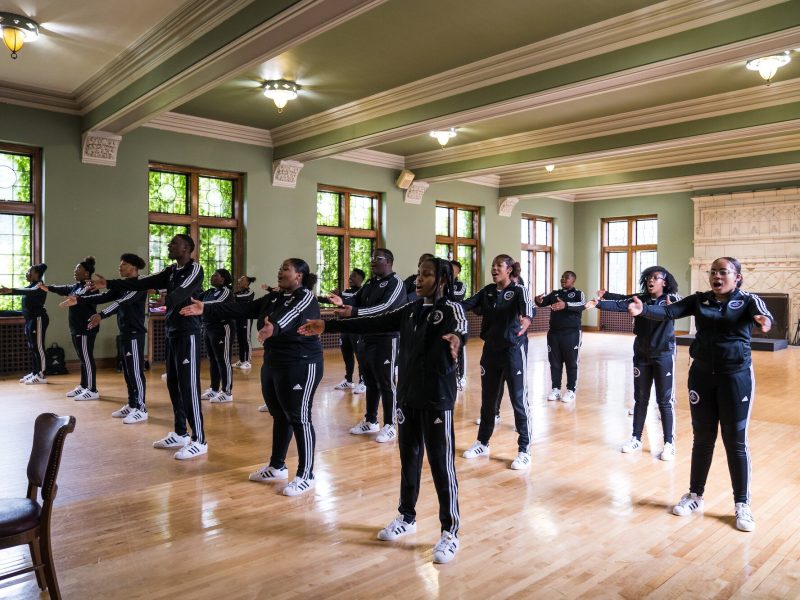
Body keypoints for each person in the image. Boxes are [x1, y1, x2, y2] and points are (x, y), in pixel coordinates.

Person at [299, 257, 466, 563]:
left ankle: (450, 531)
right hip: (408, 398)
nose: (418, 279)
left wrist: (457, 339)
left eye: (427, 275)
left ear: (441, 280)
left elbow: (460, 328)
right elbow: (373, 322)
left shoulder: (451, 309)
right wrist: (328, 324)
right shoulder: (411, 310)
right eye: (418, 273)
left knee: (442, 465)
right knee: (409, 460)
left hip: (437, 400)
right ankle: (406, 516)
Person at [627, 257, 772, 532]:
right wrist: (643, 309)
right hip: (702, 376)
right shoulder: (699, 300)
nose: (717, 276)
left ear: (737, 277)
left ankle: (742, 504)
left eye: (724, 272)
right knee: (703, 439)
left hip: (736, 378)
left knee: (735, 441)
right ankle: (695, 495)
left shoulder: (749, 300)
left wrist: (764, 322)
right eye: (714, 271)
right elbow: (669, 313)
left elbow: (766, 318)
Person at [182, 258, 323, 496]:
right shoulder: (275, 297)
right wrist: (207, 308)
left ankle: (306, 473)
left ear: (298, 276)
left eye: (285, 269)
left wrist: (273, 327)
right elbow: (244, 308)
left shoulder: (305, 297)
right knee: (279, 414)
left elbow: (291, 315)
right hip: (274, 362)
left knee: (300, 417)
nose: (280, 271)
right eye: (279, 267)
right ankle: (277, 466)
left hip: (301, 363)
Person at [93, 234, 207, 460]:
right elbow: (143, 282)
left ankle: (200, 439)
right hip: (172, 333)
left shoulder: (195, 269)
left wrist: (167, 298)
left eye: (173, 243)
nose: (169, 245)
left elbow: (183, 291)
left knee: (189, 386)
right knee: (173, 384)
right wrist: (110, 283)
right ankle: (180, 433)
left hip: (188, 334)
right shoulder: (171, 270)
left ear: (187, 248)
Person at [585, 265, 680, 460]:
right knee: (640, 399)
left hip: (663, 355)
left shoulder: (672, 300)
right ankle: (636, 438)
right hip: (642, 355)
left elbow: (674, 309)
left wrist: (653, 309)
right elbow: (620, 304)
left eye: (655, 277)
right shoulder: (640, 298)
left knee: (664, 401)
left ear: (665, 282)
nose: (650, 281)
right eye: (648, 278)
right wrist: (598, 303)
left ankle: (669, 443)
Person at [460, 255, 534, 470]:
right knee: (488, 401)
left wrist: (526, 320)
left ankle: (524, 449)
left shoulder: (519, 290)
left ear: (509, 270)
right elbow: (466, 304)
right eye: (492, 265)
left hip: (513, 351)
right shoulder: (487, 291)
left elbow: (528, 310)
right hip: (490, 351)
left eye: (498, 266)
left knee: (518, 400)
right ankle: (482, 443)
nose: (494, 269)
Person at [328, 248, 406, 443]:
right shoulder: (371, 283)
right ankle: (371, 420)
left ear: (388, 261)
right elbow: (356, 299)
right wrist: (343, 301)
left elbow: (386, 307)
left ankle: (390, 425)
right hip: (367, 337)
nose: (372, 261)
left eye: (377, 258)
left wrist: (354, 312)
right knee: (370, 381)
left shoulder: (396, 283)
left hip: (387, 339)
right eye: (371, 258)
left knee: (386, 382)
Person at [63, 254, 150, 423]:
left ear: (133, 267)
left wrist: (101, 315)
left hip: (134, 334)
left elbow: (121, 303)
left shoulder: (139, 286)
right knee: (127, 371)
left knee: (135, 373)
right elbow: (104, 297)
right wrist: (79, 299)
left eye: (123, 264)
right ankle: (132, 405)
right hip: (124, 333)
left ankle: (141, 408)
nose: (120, 267)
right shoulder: (123, 285)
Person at [40, 256, 102, 400]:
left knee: (87, 358)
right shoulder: (76, 286)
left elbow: (84, 301)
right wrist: (47, 287)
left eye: (78, 269)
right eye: (75, 269)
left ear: (86, 273)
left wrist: (70, 302)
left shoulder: (90, 286)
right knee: (82, 358)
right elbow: (63, 288)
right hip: (76, 327)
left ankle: (92, 389)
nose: (75, 271)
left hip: (86, 327)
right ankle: (83, 385)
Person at [535, 271, 585, 403]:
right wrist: (538, 300)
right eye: (562, 277)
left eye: (566, 278)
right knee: (554, 362)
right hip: (554, 333)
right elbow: (542, 303)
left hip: (572, 333)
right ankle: (555, 389)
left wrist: (566, 305)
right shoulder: (555, 293)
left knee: (571, 362)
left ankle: (571, 390)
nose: (563, 279)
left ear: (573, 280)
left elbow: (582, 305)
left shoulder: (578, 294)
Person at [0, 263, 49, 384]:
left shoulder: (39, 286)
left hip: (38, 319)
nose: (26, 274)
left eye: (29, 272)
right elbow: (25, 308)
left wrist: (10, 290)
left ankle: (42, 375)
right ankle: (35, 372)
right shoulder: (31, 286)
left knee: (38, 347)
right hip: (30, 321)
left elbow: (29, 292)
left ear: (36, 274)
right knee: (32, 347)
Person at [199, 268, 234, 403]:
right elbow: (194, 299)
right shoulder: (210, 292)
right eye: (213, 274)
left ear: (223, 279)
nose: (213, 277)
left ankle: (227, 392)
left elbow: (216, 304)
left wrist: (200, 305)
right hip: (208, 327)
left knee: (223, 360)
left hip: (222, 328)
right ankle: (214, 389)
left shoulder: (226, 292)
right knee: (212, 359)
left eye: (216, 275)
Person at [328, 268, 366, 392]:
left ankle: (363, 381)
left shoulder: (362, 292)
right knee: (346, 354)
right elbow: (338, 302)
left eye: (353, 276)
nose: (350, 278)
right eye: (350, 276)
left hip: (356, 329)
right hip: (345, 329)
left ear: (361, 279)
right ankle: (348, 380)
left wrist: (341, 298)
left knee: (359, 355)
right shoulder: (346, 292)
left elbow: (354, 305)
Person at [450, 260, 468, 390]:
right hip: (445, 320)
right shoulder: (441, 282)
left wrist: (444, 290)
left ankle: (461, 377)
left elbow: (458, 296)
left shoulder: (460, 285)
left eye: (454, 270)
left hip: (457, 319)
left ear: (458, 273)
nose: (451, 271)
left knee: (460, 349)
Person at [232, 275, 256, 370]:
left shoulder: (250, 292)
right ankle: (242, 360)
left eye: (241, 280)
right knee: (240, 339)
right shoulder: (237, 293)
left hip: (247, 318)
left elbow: (241, 298)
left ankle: (248, 362)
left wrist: (232, 296)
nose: (239, 281)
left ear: (247, 283)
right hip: (239, 318)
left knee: (246, 339)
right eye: (239, 279)